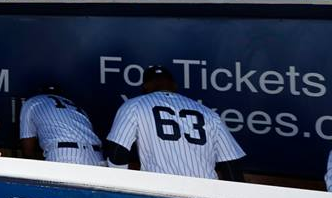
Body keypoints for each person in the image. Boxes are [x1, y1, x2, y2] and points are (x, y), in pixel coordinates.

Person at [105, 65, 245, 181]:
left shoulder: (135, 105)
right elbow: (232, 167)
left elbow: (117, 152)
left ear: (145, 87)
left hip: (160, 189)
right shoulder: (208, 113)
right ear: (174, 86)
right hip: (204, 191)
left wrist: (120, 186)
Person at [20, 86, 104, 166]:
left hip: (65, 155)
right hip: (96, 157)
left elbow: (28, 150)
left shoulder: (32, 102)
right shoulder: (74, 106)